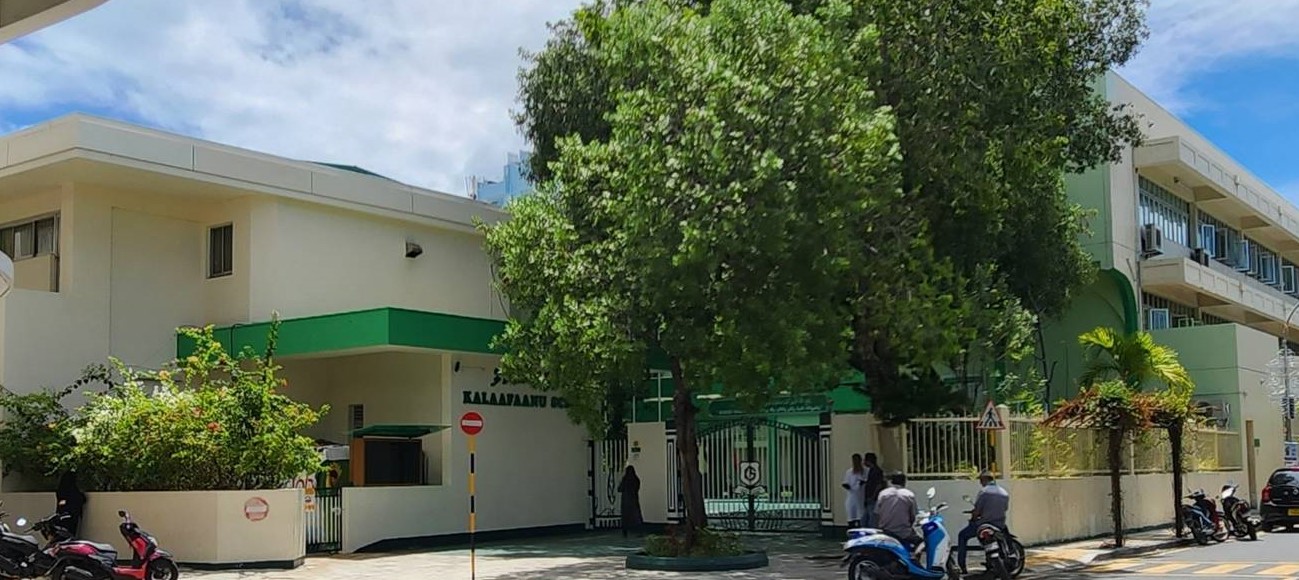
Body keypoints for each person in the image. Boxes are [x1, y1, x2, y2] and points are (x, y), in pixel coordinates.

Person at [957, 470, 1011, 575]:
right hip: (1000, 524)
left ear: (985, 479)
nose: (980, 483)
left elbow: (977, 511)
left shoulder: (984, 492)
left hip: (984, 524)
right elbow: (1005, 508)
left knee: (962, 536)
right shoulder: (1004, 492)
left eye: (981, 480)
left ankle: (962, 566)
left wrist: (973, 518)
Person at [875, 471, 920, 550]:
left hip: (885, 532)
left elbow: (877, 513)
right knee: (922, 542)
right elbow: (913, 517)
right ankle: (916, 556)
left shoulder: (883, 494)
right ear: (904, 482)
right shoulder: (909, 495)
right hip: (903, 533)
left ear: (892, 481)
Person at [55, 470, 87, 538]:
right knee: (69, 534)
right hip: (71, 516)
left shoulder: (61, 489)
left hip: (61, 516)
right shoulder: (72, 490)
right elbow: (81, 499)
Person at [617, 465, 643, 538]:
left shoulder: (625, 479)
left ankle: (625, 532)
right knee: (636, 516)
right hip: (634, 500)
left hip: (626, 500)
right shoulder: (636, 479)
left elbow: (619, 489)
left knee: (625, 516)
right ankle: (639, 531)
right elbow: (637, 488)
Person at [842, 453, 868, 527]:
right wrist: (848, 486)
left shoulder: (865, 471)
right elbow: (845, 482)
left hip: (861, 498)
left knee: (861, 517)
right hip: (851, 498)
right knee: (851, 517)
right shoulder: (849, 472)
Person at [862, 453, 885, 528]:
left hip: (873, 497)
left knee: (871, 518)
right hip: (869, 497)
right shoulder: (871, 470)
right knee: (866, 518)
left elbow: (879, 485)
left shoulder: (877, 471)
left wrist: (873, 496)